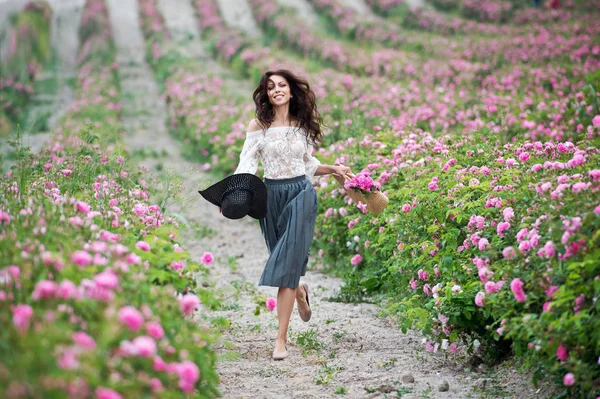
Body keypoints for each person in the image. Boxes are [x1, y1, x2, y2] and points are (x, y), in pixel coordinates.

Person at [233, 69, 351, 360]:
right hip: (270, 197)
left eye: (282, 85)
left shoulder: (302, 126)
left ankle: (280, 340)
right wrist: (236, 193)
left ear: (291, 90)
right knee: (284, 262)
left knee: (285, 268)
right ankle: (300, 290)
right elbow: (246, 164)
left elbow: (308, 164)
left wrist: (333, 168)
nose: (276, 90)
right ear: (266, 94)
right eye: (270, 87)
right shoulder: (257, 126)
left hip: (301, 194)